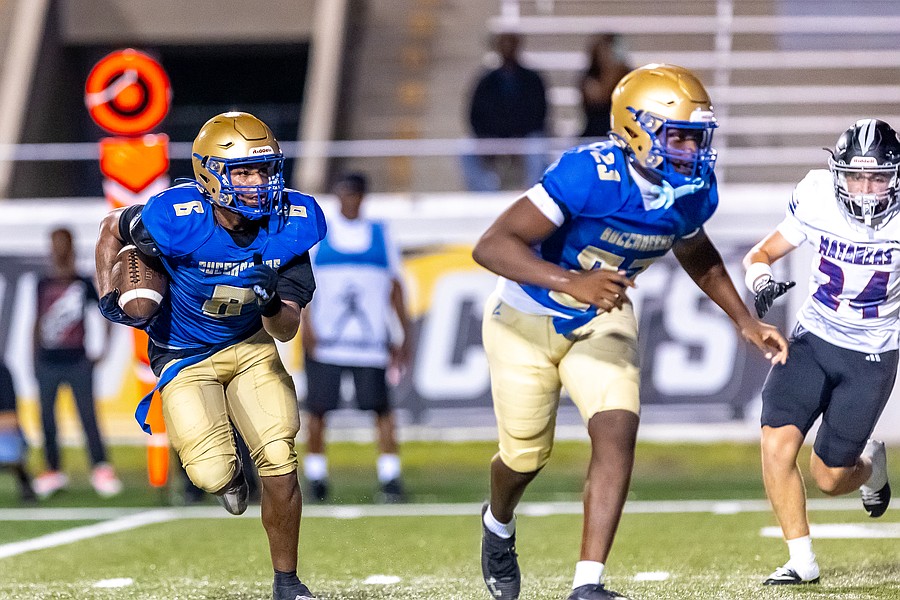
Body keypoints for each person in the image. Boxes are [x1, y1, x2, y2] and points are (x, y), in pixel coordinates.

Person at [472, 63, 789, 600]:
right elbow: (493, 245)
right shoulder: (589, 174)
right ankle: (498, 523)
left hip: (603, 316)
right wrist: (572, 281)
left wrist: (744, 320)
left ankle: (587, 583)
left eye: (697, 137)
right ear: (637, 128)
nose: (692, 149)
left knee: (616, 429)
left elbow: (696, 251)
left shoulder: (691, 191)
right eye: (679, 135)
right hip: (524, 318)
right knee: (524, 458)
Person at [94, 111, 326, 600]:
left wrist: (269, 301)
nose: (259, 183)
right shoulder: (175, 217)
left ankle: (287, 582)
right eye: (244, 172)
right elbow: (110, 226)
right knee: (210, 472)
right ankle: (229, 476)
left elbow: (285, 329)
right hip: (184, 353)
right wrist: (109, 294)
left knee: (280, 458)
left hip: (250, 344)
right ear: (210, 174)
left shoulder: (292, 222)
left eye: (265, 170)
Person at [743, 118, 900, 586]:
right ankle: (801, 560)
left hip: (871, 353)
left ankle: (871, 470)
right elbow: (759, 255)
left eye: (877, 178)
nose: (866, 190)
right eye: (855, 176)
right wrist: (761, 282)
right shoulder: (816, 196)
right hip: (813, 337)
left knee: (829, 478)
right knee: (776, 441)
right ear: (837, 174)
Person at [300, 172, 413, 504]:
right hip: (327, 344)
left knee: (381, 410)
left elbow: (396, 287)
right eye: (345, 193)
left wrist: (403, 334)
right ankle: (316, 477)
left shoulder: (381, 235)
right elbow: (304, 286)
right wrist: (306, 328)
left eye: (355, 194)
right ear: (337, 196)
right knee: (318, 410)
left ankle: (390, 478)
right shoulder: (320, 235)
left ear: (363, 197)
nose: (350, 200)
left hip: (371, 344)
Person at [32, 227, 121, 499]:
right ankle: (53, 470)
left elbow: (106, 311)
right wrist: (33, 356)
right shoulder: (43, 283)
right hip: (48, 361)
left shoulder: (81, 282)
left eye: (61, 243)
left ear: (70, 246)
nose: (56, 248)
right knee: (47, 418)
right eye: (53, 243)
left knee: (87, 416)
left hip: (77, 360)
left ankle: (101, 468)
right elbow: (37, 320)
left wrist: (104, 349)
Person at [463, 31, 548, 192]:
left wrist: (519, 136)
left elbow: (540, 113)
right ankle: (485, 194)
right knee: (465, 149)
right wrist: (488, 137)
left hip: (524, 137)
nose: (507, 48)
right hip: (492, 137)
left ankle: (533, 193)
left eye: (511, 43)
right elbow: (475, 115)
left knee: (536, 146)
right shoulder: (486, 81)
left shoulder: (532, 79)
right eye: (504, 44)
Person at [579, 34, 631, 138]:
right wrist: (608, 68)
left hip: (622, 132)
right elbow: (600, 97)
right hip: (596, 132)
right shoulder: (590, 77)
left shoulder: (628, 77)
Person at [0, 360, 35, 503]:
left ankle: (24, 480)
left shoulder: (2, 372)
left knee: (10, 448)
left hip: (4, 433)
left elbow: (11, 419)